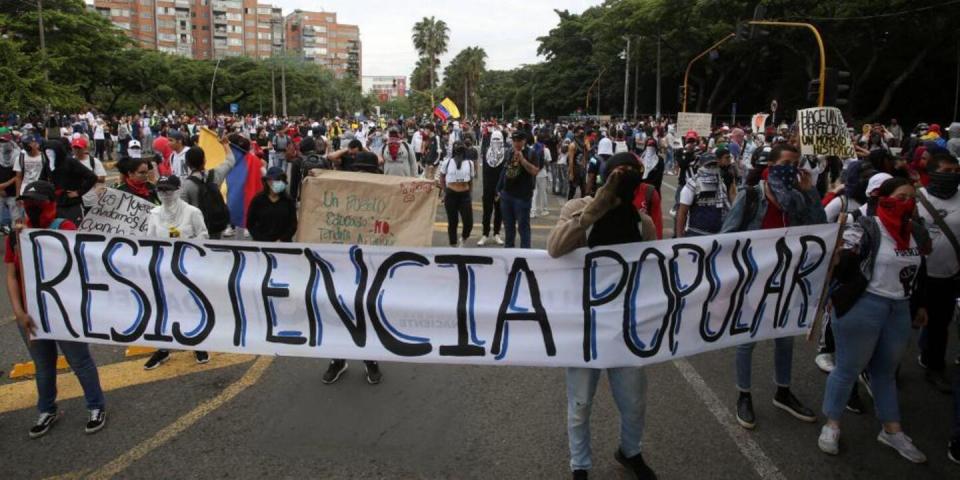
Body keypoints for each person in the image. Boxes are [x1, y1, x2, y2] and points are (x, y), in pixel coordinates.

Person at [547, 153, 657, 480]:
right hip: (586, 326)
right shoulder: (576, 208)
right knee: (580, 405)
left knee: (634, 403)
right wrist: (594, 209)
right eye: (617, 176)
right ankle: (579, 465)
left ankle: (630, 451)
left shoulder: (642, 222)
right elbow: (554, 248)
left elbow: (651, 271)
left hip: (625, 327)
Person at [817, 177, 930, 463]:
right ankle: (832, 424)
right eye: (901, 196)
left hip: (900, 309)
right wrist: (840, 254)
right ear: (885, 198)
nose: (908, 202)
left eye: (911, 197)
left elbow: (920, 272)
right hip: (864, 305)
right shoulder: (866, 227)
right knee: (847, 368)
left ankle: (892, 430)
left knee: (885, 371)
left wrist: (920, 305)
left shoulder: (915, 231)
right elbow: (841, 265)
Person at [721, 144, 826, 430]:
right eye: (787, 163)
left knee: (784, 336)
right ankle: (744, 395)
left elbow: (820, 227)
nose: (793, 168)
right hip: (753, 279)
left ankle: (783, 391)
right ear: (772, 164)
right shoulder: (752, 195)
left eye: (796, 162)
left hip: (788, 277)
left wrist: (810, 192)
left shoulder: (798, 197)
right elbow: (727, 236)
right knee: (748, 338)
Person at [6, 180, 107, 438]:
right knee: (43, 364)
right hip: (31, 314)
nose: (32, 207)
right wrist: (19, 312)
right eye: (28, 203)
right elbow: (12, 275)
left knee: (79, 361)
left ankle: (96, 406)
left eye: (37, 202)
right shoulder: (17, 235)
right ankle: (46, 409)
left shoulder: (65, 228)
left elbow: (81, 265)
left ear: (50, 203)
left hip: (63, 311)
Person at [142, 175, 210, 369]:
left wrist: (188, 245)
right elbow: (150, 240)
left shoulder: (192, 212)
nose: (165, 194)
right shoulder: (154, 214)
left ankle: (198, 344)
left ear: (178, 190)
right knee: (163, 310)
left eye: (169, 190)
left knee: (193, 306)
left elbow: (203, 235)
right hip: (164, 271)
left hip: (189, 270)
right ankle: (163, 349)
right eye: (161, 190)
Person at [915, 152, 960, 393]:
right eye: (946, 171)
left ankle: (935, 367)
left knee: (940, 324)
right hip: (915, 276)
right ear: (932, 173)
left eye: (955, 172)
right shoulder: (914, 198)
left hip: (947, 274)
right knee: (904, 324)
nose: (952, 176)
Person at [180, 136, 237, 239]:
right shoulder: (215, 174)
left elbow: (183, 210)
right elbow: (230, 161)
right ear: (204, 160)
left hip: (198, 228)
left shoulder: (186, 185)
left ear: (187, 164)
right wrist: (225, 144)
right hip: (215, 225)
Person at [497, 130, 541, 249]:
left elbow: (535, 171)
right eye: (514, 140)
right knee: (508, 228)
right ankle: (509, 252)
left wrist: (522, 160)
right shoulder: (509, 152)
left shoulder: (531, 153)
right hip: (507, 195)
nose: (516, 143)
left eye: (519, 141)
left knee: (523, 228)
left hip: (522, 197)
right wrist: (499, 188)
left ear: (524, 141)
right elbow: (504, 171)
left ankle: (525, 254)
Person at [675, 152, 734, 237]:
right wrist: (679, 237)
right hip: (695, 234)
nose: (712, 168)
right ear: (701, 166)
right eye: (709, 166)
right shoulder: (692, 185)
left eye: (714, 165)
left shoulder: (721, 185)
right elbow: (682, 213)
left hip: (717, 234)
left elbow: (725, 208)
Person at [247, 167, 298, 242]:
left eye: (282, 180)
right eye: (277, 179)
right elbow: (250, 224)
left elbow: (293, 224)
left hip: (283, 244)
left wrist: (282, 240)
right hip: (261, 243)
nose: (280, 182)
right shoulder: (258, 200)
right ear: (267, 181)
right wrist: (261, 239)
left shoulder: (288, 201)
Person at [479, 129, 506, 246]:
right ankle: (485, 234)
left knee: (499, 212)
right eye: (494, 140)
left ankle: (497, 234)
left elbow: (505, 173)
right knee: (486, 212)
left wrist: (502, 189)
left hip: (500, 189)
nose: (496, 142)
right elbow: (484, 172)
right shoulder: (486, 153)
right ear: (490, 141)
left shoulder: (506, 154)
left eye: (498, 140)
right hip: (487, 188)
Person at [0, 128, 20, 233]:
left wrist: (5, 185)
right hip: (0, 193)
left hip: (12, 192)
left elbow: (19, 175)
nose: (3, 143)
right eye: (1, 141)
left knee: (16, 221)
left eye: (5, 141)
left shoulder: (17, 154)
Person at [531, 132, 552, 218]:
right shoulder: (546, 150)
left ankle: (533, 211)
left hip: (533, 173)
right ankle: (544, 210)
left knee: (533, 192)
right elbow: (548, 162)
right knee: (543, 192)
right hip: (542, 173)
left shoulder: (532, 148)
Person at [567, 126, 589, 199]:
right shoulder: (572, 145)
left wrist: (585, 168)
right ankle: (569, 206)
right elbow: (570, 160)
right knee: (572, 190)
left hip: (582, 170)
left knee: (584, 190)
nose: (582, 134)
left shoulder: (584, 144)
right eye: (580, 133)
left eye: (583, 133)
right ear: (576, 134)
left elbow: (585, 157)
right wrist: (571, 173)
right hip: (575, 169)